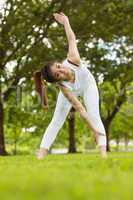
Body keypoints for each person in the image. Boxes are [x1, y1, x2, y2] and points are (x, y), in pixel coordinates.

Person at [33, 12, 107, 159]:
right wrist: (92, 130)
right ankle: (41, 154)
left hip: (88, 85)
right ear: (57, 80)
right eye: (58, 74)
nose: (62, 70)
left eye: (59, 66)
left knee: (94, 115)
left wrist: (66, 22)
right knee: (56, 120)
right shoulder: (63, 86)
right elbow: (79, 108)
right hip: (72, 91)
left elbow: (71, 39)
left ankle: (103, 154)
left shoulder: (73, 59)